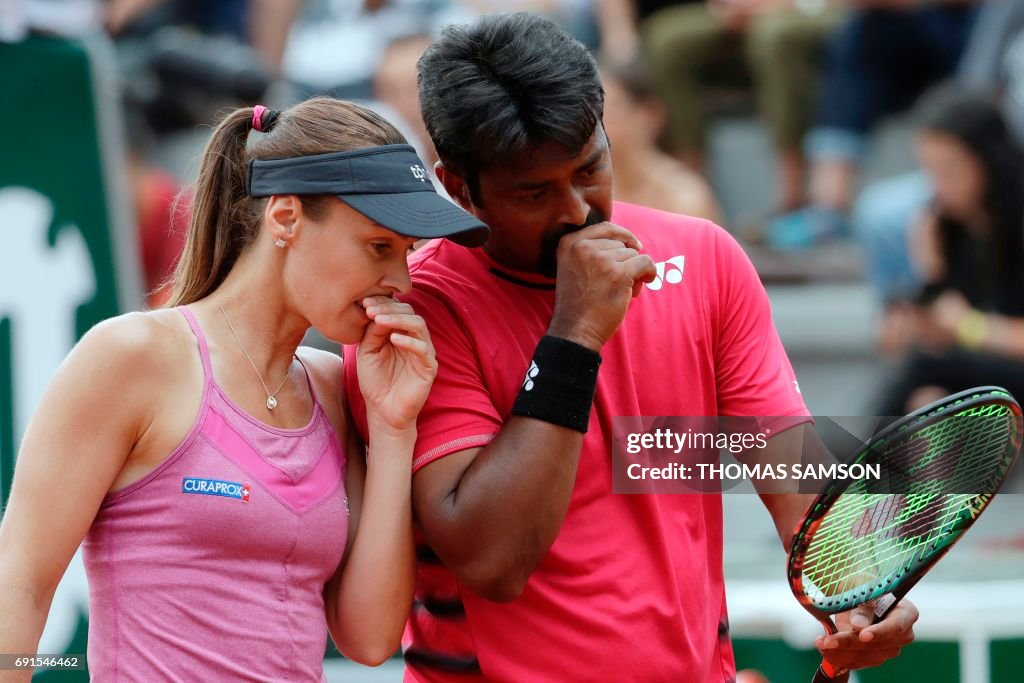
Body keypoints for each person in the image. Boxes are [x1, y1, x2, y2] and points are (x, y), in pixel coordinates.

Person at [342, 13, 918, 681]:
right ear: (458, 185)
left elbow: (796, 484)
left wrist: (858, 594)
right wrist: (575, 331)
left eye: (590, 168)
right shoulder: (415, 309)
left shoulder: (705, 258)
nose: (576, 211)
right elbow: (494, 561)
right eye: (534, 192)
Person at [0, 96, 488, 679]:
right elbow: (21, 583)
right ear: (284, 218)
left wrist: (392, 431)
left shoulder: (335, 385)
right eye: (379, 247)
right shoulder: (132, 357)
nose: (400, 281)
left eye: (407, 254)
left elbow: (370, 637)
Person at [876, 85, 1024, 414]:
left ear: (988, 160)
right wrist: (928, 274)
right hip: (987, 374)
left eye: (950, 169)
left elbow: (964, 327)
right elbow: (940, 333)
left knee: (924, 369)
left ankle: (847, 463)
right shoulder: (942, 224)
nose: (939, 185)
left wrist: (971, 327)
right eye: (930, 170)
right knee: (927, 398)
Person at [600, 58, 723, 221]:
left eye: (609, 110)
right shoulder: (581, 194)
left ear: (649, 114)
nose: (599, 124)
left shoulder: (685, 197)